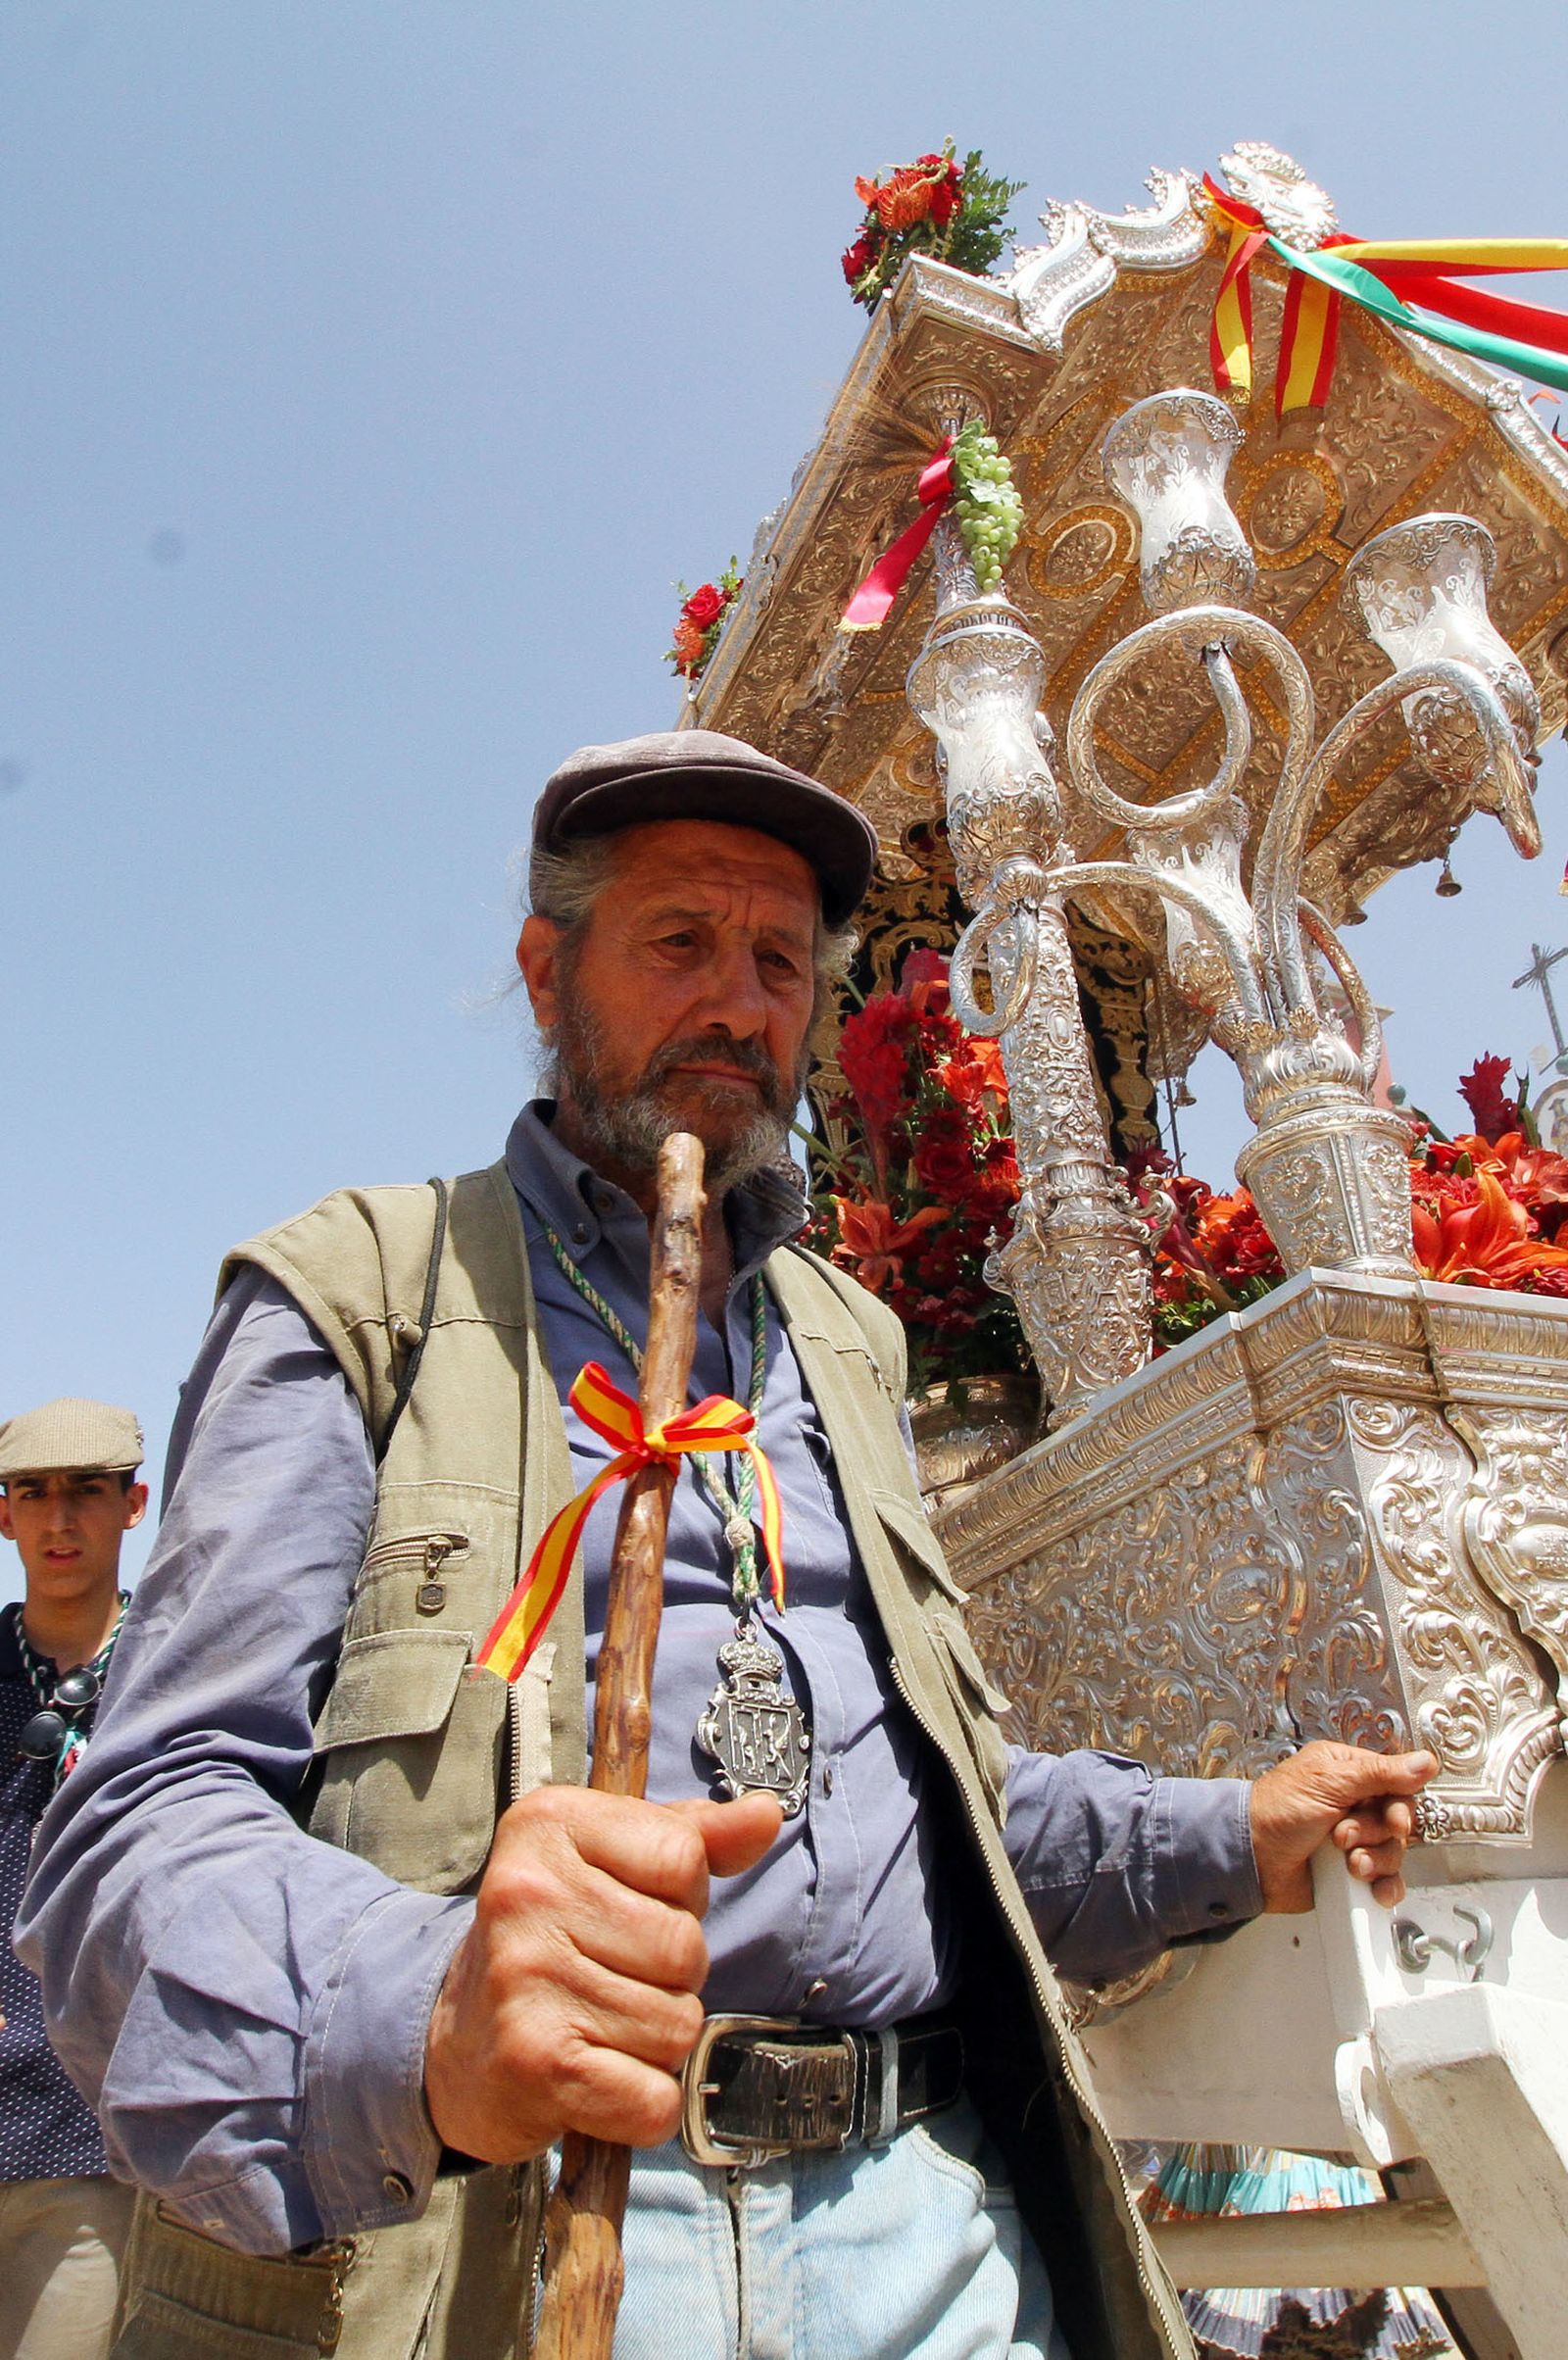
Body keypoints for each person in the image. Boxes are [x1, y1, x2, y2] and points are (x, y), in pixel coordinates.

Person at [20, 732, 1432, 2360]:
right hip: (525, 2235)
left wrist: (1227, 1829)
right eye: (679, 941)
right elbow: (138, 1825)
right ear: (549, 973)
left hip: (934, 2229)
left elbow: (945, 1809)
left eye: (779, 960)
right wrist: (432, 2002)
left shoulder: (844, 1336)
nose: (739, 1002)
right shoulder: (360, 1294)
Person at [0, 1399, 147, 2360]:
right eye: (34, 1493)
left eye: (86, 1492)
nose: (60, 1519)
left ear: (134, 1504)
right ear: (2, 1514)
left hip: (90, 2131)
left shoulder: (182, 1676)